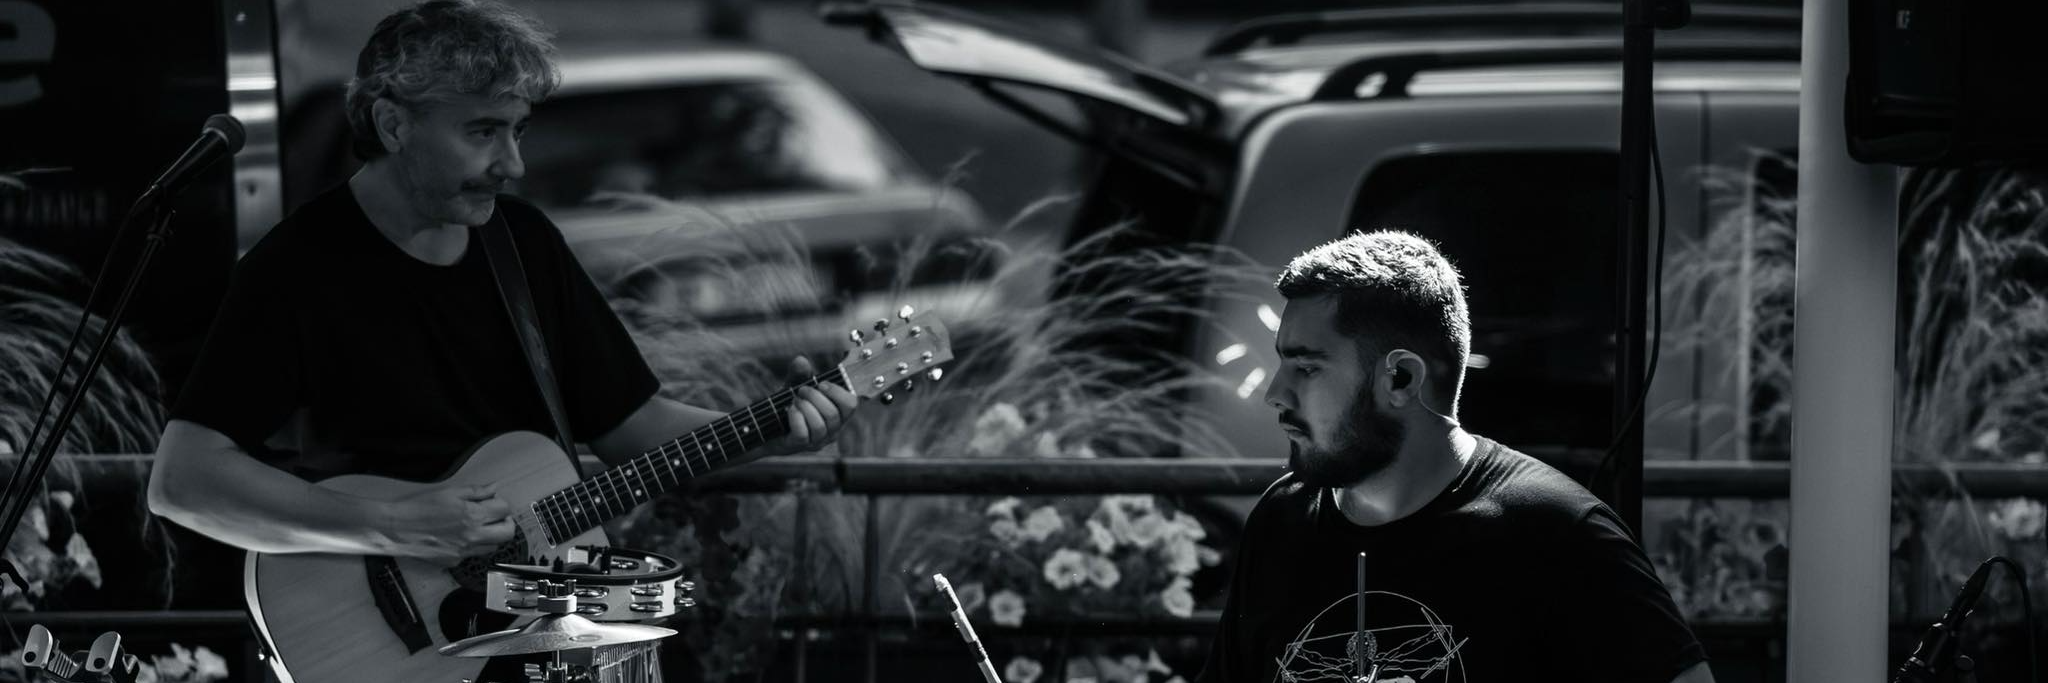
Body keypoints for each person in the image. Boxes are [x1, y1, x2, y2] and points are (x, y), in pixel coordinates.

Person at [144, 0, 856, 675]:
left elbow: (634, 428)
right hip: (379, 645)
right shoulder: (297, 268)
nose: (511, 163)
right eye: (483, 131)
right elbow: (184, 481)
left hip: (549, 639)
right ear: (393, 125)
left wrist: (774, 429)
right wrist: (391, 524)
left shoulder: (524, 246)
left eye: (517, 131)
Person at [1197, 231, 1712, 683]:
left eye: (1306, 368)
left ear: (1401, 378)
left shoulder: (1557, 533)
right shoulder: (1282, 518)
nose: (1275, 393)